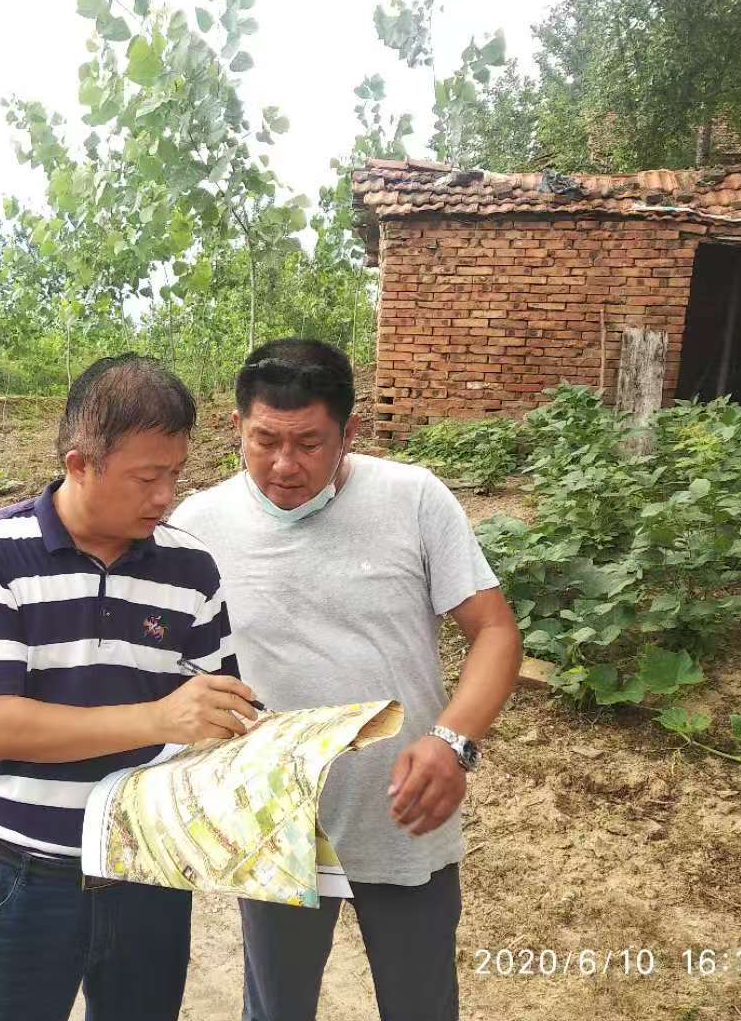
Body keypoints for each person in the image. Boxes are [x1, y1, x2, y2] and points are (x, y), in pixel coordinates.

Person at [170, 338, 522, 1021]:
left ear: (349, 433)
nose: (284, 465)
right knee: (277, 1007)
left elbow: (496, 632)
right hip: (277, 825)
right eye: (264, 440)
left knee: (421, 1005)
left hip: (403, 814)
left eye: (309, 443)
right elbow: (167, 668)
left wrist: (453, 741)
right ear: (237, 426)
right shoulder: (197, 527)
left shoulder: (413, 499)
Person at [0, 354, 260, 1021]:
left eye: (175, 474)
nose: (165, 496)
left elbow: (213, 708)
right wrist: (159, 719)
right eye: (147, 477)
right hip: (20, 876)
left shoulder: (191, 567)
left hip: (147, 873)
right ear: (80, 464)